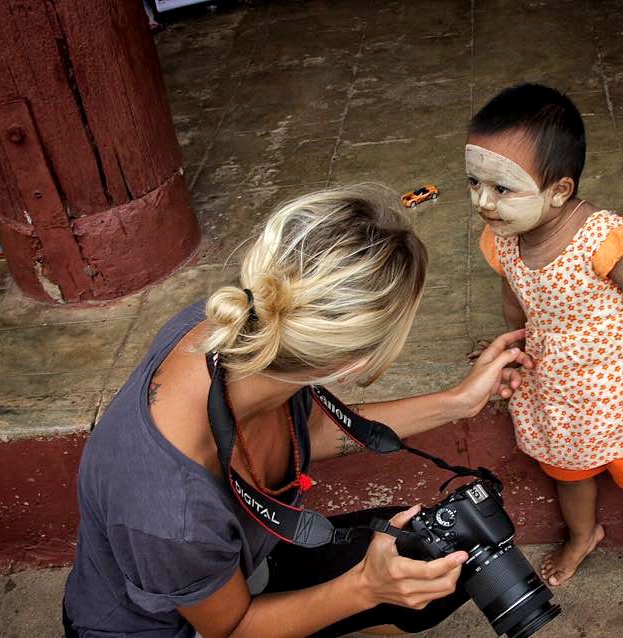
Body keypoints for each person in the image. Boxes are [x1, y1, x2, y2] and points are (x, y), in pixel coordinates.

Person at [62, 185, 534, 637]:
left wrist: (460, 401)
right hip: (172, 628)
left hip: (250, 563)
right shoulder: (169, 509)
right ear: (353, 366)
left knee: (442, 558)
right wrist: (365, 587)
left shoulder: (238, 324)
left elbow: (310, 432)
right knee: (401, 577)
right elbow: (231, 628)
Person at [467, 84, 623, 600]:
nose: (483, 202)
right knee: (569, 470)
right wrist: (509, 349)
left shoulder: (602, 237)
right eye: (474, 183)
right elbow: (516, 300)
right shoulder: (504, 238)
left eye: (502, 189)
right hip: (557, 386)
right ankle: (583, 536)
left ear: (559, 190)